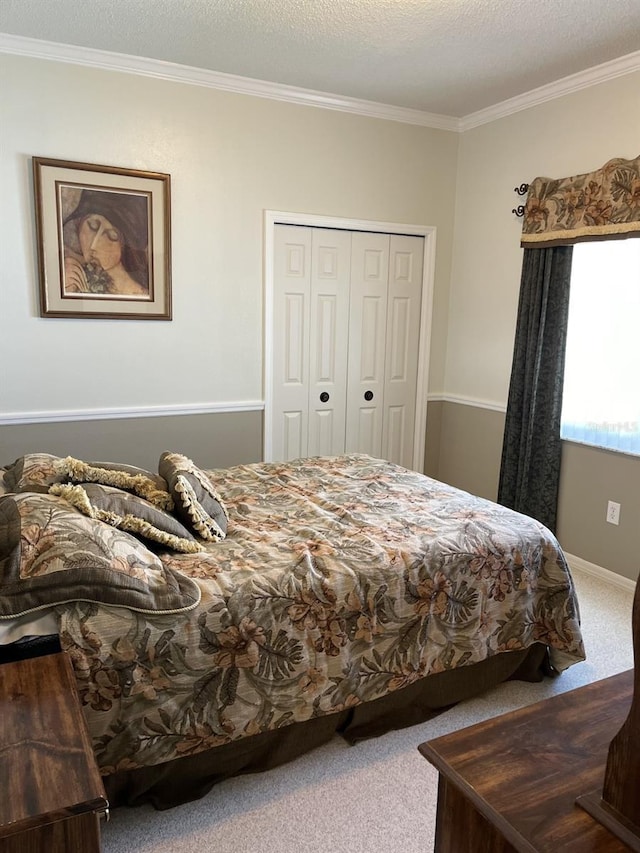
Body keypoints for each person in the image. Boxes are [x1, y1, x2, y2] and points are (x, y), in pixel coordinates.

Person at [62, 188, 150, 296]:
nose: (94, 245)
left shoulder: (141, 295)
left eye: (111, 236)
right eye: (92, 225)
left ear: (127, 247)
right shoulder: (70, 272)